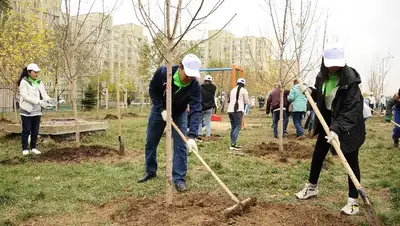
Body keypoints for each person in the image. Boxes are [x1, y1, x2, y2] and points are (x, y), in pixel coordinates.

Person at [295, 44, 366, 216]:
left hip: (349, 126)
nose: (334, 67)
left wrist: (337, 129)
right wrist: (310, 91)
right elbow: (322, 98)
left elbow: (351, 110)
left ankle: (353, 200)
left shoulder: (350, 82)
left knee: (350, 159)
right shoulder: (322, 77)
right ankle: (312, 187)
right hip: (328, 121)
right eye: (330, 63)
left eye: (337, 64)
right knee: (318, 154)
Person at [138, 54, 202, 192]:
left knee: (181, 146)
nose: (189, 79)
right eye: (188, 75)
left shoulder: (195, 85)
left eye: (193, 76)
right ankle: (150, 171)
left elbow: (196, 109)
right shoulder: (163, 73)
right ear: (180, 67)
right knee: (151, 142)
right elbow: (153, 90)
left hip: (179, 113)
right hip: (159, 111)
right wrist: (161, 110)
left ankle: (179, 179)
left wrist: (192, 136)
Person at [18, 63, 54, 156]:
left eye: (38, 72)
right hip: (27, 110)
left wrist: (49, 100)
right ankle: (25, 148)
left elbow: (44, 94)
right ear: (29, 72)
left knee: (35, 130)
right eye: (35, 72)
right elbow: (25, 96)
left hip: (37, 111)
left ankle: (33, 147)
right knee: (26, 130)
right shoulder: (24, 82)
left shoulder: (38, 82)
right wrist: (38, 102)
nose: (37, 74)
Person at [227, 78, 249, 150]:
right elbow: (246, 101)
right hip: (238, 110)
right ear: (244, 84)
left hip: (230, 110)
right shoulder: (244, 90)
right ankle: (233, 144)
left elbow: (229, 100)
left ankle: (232, 143)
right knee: (238, 126)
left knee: (233, 127)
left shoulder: (232, 90)